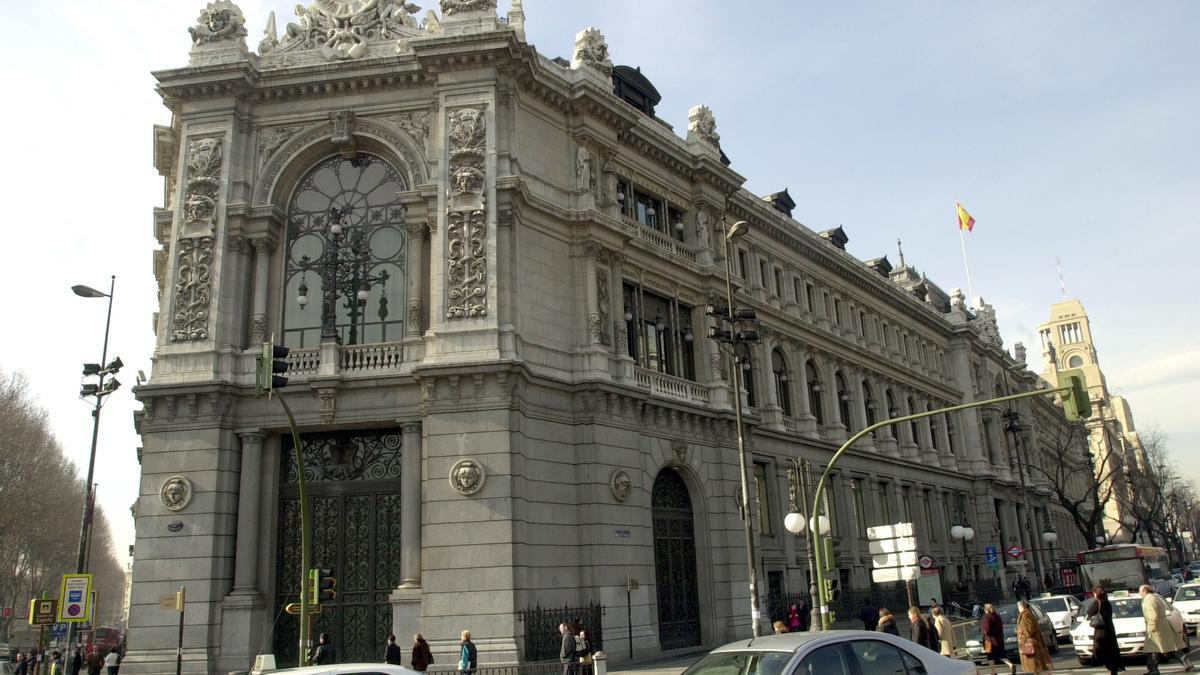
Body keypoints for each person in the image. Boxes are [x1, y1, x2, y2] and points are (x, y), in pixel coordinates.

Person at [1140, 583, 1194, 673]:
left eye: (1140, 592)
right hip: (1164, 627)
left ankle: (1154, 670)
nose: (1140, 594)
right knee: (1172, 647)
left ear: (1145, 591)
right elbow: (1169, 608)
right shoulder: (1157, 597)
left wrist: (1151, 628)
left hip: (1156, 629)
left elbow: (1153, 615)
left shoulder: (1149, 599)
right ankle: (1188, 664)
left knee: (1153, 649)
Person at [1086, 586, 1123, 674]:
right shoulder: (1107, 602)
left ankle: (1110, 667)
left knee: (1100, 650)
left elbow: (1089, 612)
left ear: (1096, 593)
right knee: (1111, 651)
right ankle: (1113, 669)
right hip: (1109, 629)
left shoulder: (1097, 602)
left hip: (1101, 631)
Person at [1016, 600, 1052, 674]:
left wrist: (1020, 633)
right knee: (1036, 664)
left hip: (1030, 642)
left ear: (1021, 606)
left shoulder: (1025, 615)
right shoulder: (1026, 613)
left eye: (1018, 607)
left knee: (1036, 663)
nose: (1018, 609)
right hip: (1031, 641)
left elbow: (1029, 629)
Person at [980, 603, 1014, 675]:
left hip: (989, 641)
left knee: (990, 656)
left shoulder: (987, 617)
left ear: (986, 610)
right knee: (1001, 655)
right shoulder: (997, 616)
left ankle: (993, 672)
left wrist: (983, 631)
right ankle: (1010, 664)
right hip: (999, 639)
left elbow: (987, 630)